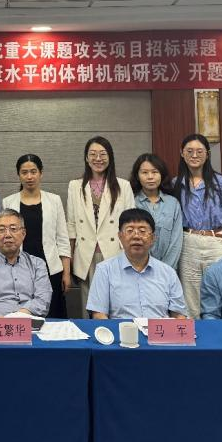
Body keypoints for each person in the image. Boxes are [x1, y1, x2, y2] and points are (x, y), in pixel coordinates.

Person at [65, 136, 135, 317]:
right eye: (93, 154)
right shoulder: (75, 186)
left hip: (114, 251)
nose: (98, 159)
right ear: (86, 158)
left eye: (103, 154)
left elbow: (131, 224)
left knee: (116, 300)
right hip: (85, 252)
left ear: (110, 157)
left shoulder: (123, 185)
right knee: (87, 302)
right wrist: (70, 257)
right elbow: (71, 225)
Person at [172, 133, 222, 319]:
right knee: (190, 295)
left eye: (199, 151)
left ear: (207, 154)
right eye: (189, 151)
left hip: (216, 242)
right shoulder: (175, 184)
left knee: (219, 289)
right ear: (182, 153)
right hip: (188, 242)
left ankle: (219, 330)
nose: (194, 155)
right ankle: (194, 333)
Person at [2, 154, 71, 318]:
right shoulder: (8, 202)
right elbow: (4, 240)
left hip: (50, 269)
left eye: (33, 172)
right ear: (18, 175)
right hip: (19, 270)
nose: (29, 177)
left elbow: (62, 239)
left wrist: (66, 273)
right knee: (23, 316)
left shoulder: (54, 200)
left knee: (52, 316)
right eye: (24, 172)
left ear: (41, 173)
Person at [86, 209, 187, 319]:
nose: (136, 236)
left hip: (159, 330)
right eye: (130, 231)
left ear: (153, 238)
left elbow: (179, 315)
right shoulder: (104, 270)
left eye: (142, 231)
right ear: (120, 236)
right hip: (121, 329)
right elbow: (99, 314)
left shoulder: (168, 273)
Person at [0, 209, 52, 317]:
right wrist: (4, 323)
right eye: (1, 230)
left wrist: (19, 317)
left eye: (13, 229)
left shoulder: (37, 264)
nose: (8, 235)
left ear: (23, 233)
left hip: (30, 322)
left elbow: (43, 300)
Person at [129, 153, 183, 271]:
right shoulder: (131, 202)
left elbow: (176, 242)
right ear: (137, 176)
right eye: (144, 172)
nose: (150, 177)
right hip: (137, 268)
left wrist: (165, 270)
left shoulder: (173, 203)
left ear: (161, 174)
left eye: (155, 172)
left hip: (168, 269)